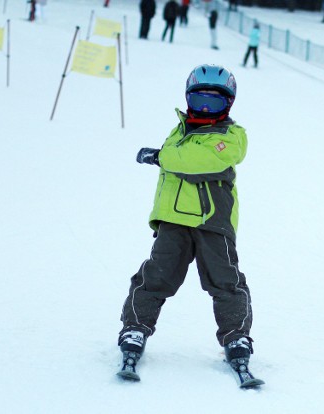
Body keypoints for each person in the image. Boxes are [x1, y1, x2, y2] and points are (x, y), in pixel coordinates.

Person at [117, 64, 255, 381]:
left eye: (215, 102)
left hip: (212, 220)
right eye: (200, 100)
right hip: (174, 220)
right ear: (188, 99)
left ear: (229, 104)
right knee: (156, 276)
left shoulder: (232, 136)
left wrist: (160, 156)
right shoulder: (178, 131)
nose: (206, 108)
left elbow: (199, 161)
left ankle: (236, 336)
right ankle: (135, 329)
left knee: (225, 280)